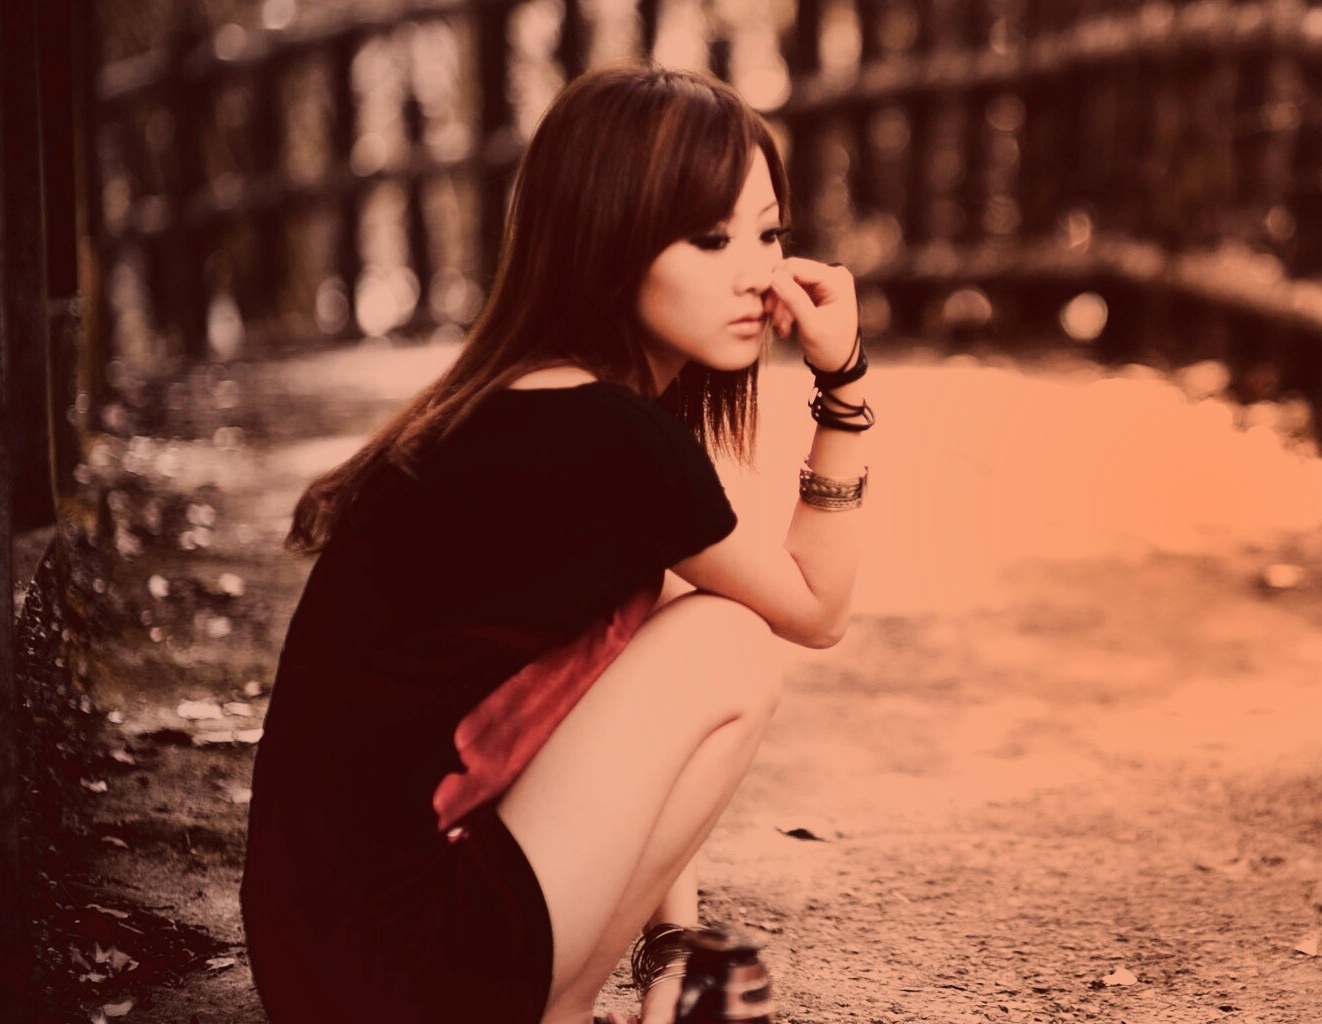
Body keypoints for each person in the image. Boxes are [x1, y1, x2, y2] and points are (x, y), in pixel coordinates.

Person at [240, 61, 869, 1024]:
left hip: (332, 966)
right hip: (400, 964)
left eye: (769, 233)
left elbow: (627, 695)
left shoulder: (531, 405)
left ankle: (610, 991)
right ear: (609, 241)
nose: (758, 273)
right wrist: (846, 386)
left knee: (692, 619)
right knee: (734, 643)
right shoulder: (606, 435)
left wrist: (672, 943)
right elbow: (816, 608)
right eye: (710, 239)